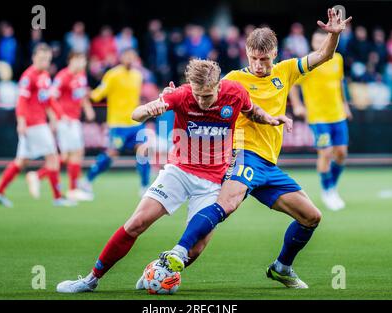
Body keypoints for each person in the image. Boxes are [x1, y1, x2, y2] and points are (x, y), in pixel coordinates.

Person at [55, 59, 291, 293]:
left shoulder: (235, 92)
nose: (201, 101)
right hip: (179, 171)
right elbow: (136, 114)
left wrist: (269, 118)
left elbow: (252, 111)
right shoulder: (181, 95)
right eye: (197, 95)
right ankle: (90, 279)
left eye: (207, 96)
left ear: (219, 85)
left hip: (212, 182)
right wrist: (150, 109)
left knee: (196, 248)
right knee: (137, 223)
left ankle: (158, 271)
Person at [158, 8, 352, 289]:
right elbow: (204, 90)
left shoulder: (286, 71)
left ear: (274, 54)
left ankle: (282, 267)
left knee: (311, 217)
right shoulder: (234, 79)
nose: (259, 65)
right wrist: (172, 95)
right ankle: (174, 254)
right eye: (253, 58)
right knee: (225, 207)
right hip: (242, 153)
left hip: (268, 166)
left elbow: (323, 56)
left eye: (264, 59)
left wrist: (332, 36)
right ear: (246, 53)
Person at [0, 43, 75, 207]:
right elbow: (21, 101)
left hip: (37, 123)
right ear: (34, 57)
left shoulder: (44, 76)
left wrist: (57, 117)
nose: (45, 62)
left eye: (48, 59)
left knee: (21, 161)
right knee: (53, 158)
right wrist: (21, 122)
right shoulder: (28, 76)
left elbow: (48, 100)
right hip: (34, 124)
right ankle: (58, 197)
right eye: (42, 58)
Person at [289, 29, 352, 211]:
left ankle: (332, 185)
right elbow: (292, 84)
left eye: (322, 41)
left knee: (341, 154)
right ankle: (327, 191)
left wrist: (345, 105)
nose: (319, 44)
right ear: (312, 43)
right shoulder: (308, 63)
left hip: (338, 115)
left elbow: (340, 83)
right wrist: (298, 105)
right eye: (316, 41)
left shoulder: (337, 59)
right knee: (325, 153)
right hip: (318, 117)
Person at [79, 48, 151, 197]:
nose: (130, 59)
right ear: (121, 58)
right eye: (127, 56)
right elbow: (98, 94)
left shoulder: (138, 76)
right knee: (111, 154)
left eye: (132, 56)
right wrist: (88, 94)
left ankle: (145, 187)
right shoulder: (112, 75)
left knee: (143, 152)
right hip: (118, 124)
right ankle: (86, 181)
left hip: (136, 124)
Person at [26, 52, 96, 202]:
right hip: (65, 120)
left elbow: (81, 95)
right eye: (80, 60)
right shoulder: (62, 77)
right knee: (74, 153)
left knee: (68, 155)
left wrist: (88, 108)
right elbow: (51, 97)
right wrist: (55, 117)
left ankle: (38, 176)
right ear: (72, 60)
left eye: (84, 61)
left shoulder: (81, 75)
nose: (83, 64)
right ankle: (72, 189)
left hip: (74, 119)